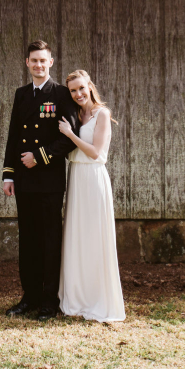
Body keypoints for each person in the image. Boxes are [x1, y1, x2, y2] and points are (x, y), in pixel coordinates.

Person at [1, 40, 80, 321]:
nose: (38, 65)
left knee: (49, 240)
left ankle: (49, 301)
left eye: (42, 60)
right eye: (33, 60)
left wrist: (40, 156)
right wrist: (8, 174)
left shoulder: (61, 94)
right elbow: (13, 136)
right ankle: (29, 297)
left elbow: (69, 139)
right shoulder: (21, 94)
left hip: (48, 179)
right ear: (27, 62)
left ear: (51, 62)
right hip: (23, 179)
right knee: (29, 240)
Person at [57, 69, 126, 323]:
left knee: (95, 238)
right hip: (76, 176)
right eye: (73, 90)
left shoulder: (102, 114)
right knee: (77, 237)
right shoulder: (75, 114)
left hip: (94, 177)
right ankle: (77, 298)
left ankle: (98, 299)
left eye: (81, 89)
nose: (78, 94)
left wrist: (70, 135)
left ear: (90, 87)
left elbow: (97, 152)